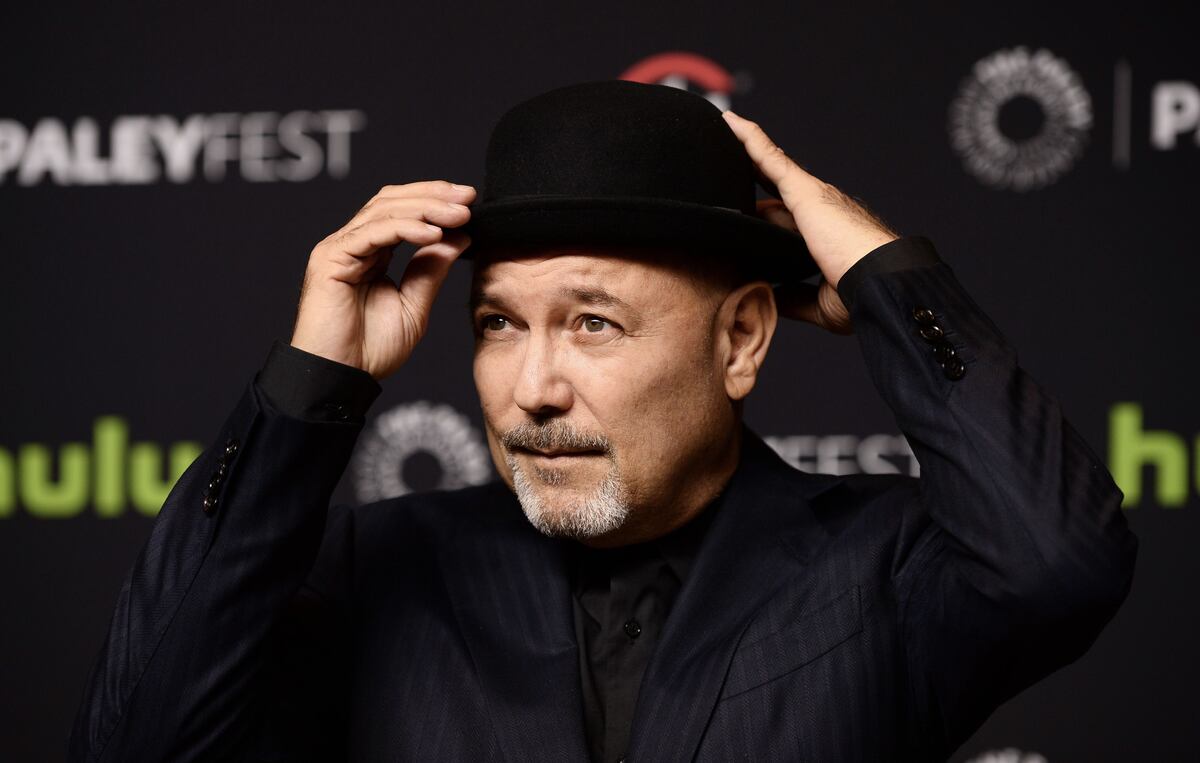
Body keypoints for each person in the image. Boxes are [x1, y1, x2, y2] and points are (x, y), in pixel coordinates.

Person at [69, 80, 1137, 762]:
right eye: (497, 324)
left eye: (593, 323)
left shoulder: (879, 567)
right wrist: (310, 384)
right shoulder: (375, 567)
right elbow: (135, 741)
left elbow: (1059, 564)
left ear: (741, 339)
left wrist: (883, 275)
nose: (532, 386)